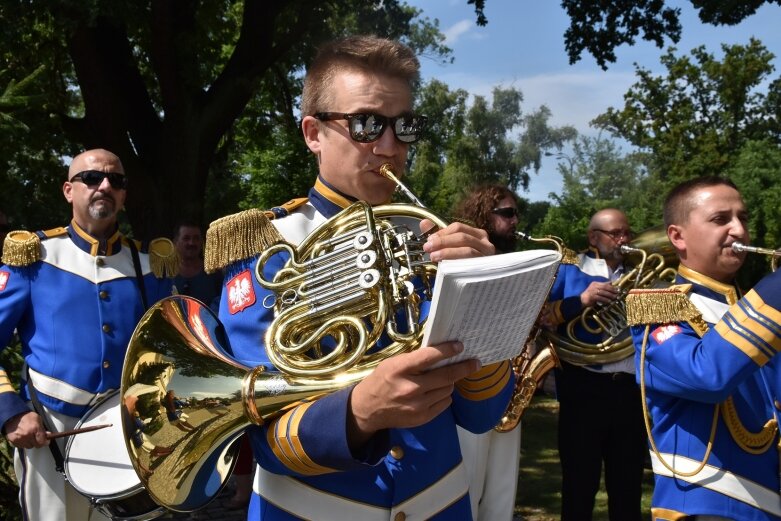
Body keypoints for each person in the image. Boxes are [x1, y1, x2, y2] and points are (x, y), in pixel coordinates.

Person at [205, 35, 513, 520]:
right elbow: (256, 431)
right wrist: (357, 414)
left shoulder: (437, 241)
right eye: (367, 124)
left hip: (443, 505)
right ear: (313, 133)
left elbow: (482, 414)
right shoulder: (265, 247)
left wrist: (485, 299)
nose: (389, 148)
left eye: (404, 126)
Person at [0, 149, 175, 521]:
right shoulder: (34, 258)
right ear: (68, 190)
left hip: (129, 433)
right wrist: (10, 413)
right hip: (49, 432)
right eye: (92, 178)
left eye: (117, 181)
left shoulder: (150, 266)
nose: (105, 186)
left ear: (125, 196)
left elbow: (171, 351)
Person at [626, 177, 781, 521]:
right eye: (720, 219)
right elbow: (707, 376)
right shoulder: (657, 306)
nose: (739, 230)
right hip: (705, 502)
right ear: (677, 236)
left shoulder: (755, 311)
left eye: (743, 218)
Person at [545, 208, 647, 521]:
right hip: (583, 389)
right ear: (594, 237)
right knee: (579, 487)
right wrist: (583, 301)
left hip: (630, 391)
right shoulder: (570, 266)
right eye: (616, 233)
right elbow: (540, 316)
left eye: (627, 232)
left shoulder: (641, 272)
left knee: (628, 490)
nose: (624, 239)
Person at [452, 184, 522, 520]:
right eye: (506, 213)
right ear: (484, 215)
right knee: (468, 486)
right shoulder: (460, 253)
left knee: (501, 494)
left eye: (515, 212)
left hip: (511, 387)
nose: (515, 220)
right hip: (470, 385)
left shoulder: (517, 257)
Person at [172, 221, 222, 309]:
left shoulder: (213, 273)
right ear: (176, 242)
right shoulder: (166, 275)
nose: (191, 243)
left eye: (196, 238)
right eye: (186, 238)